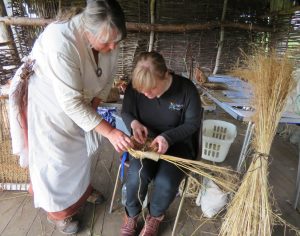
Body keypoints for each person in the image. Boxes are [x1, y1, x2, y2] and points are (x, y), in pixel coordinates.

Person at [9, 0, 133, 234]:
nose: (111, 48)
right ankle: (59, 212)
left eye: (115, 42)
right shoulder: (61, 41)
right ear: (88, 30)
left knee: (79, 150)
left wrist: (95, 104)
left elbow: (107, 78)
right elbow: (71, 102)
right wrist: (110, 131)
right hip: (48, 101)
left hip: (80, 99)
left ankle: (80, 192)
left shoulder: (108, 39)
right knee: (56, 156)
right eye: (107, 43)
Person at [120, 51, 202, 236]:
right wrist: (134, 123)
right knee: (136, 177)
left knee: (165, 182)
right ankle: (132, 215)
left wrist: (168, 138)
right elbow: (126, 112)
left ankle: (154, 217)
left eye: (152, 89)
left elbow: (193, 123)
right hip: (146, 143)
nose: (147, 94)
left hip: (178, 144)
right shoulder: (137, 87)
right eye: (142, 91)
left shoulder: (186, 89)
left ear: (166, 75)